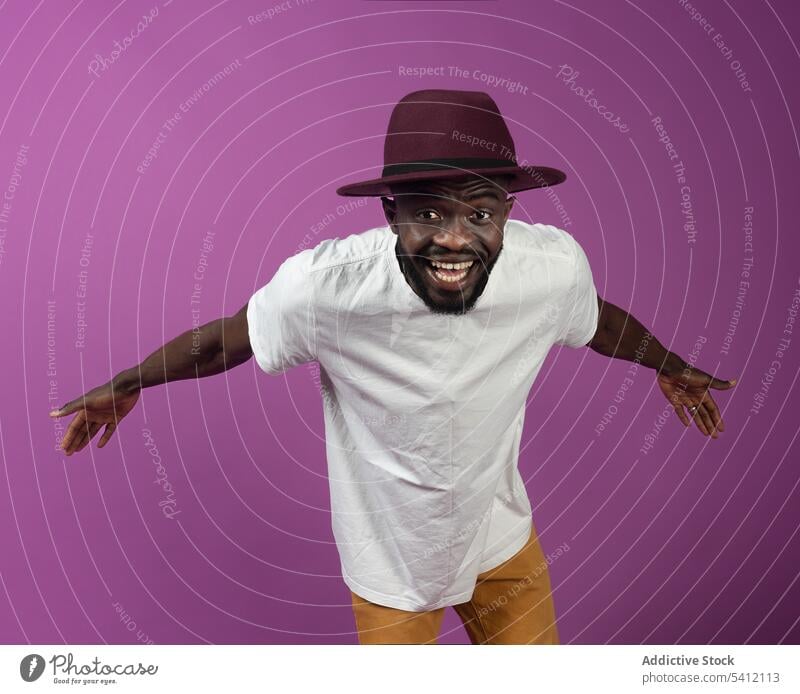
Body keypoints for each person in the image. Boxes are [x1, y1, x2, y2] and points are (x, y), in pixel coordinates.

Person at [49, 90, 737, 645]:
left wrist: (668, 366)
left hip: (501, 542)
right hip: (390, 563)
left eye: (480, 211)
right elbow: (230, 339)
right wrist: (129, 381)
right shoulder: (327, 288)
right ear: (389, 214)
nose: (455, 238)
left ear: (508, 212)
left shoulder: (550, 268)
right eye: (428, 212)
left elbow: (600, 320)